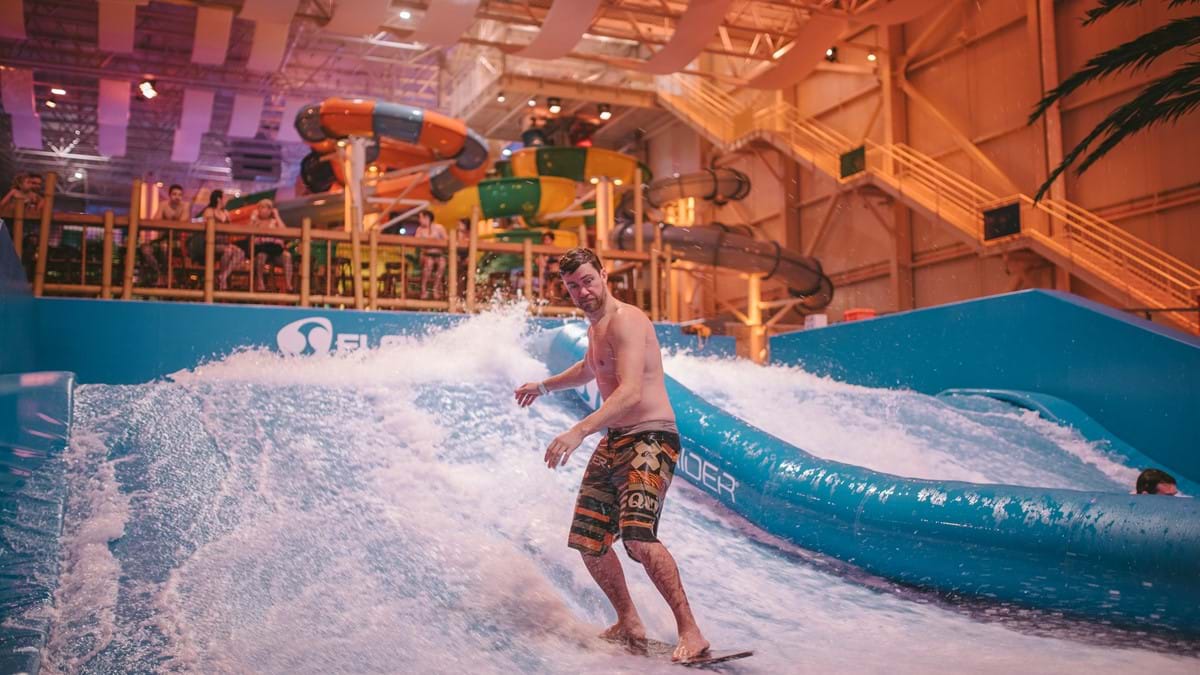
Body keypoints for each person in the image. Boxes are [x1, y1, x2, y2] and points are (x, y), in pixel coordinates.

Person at [513, 247, 710, 662]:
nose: (582, 291)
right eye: (572, 286)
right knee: (589, 539)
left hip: (651, 437)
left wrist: (579, 431)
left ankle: (691, 632)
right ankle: (629, 621)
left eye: (587, 280)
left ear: (603, 275)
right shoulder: (596, 327)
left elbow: (631, 391)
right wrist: (544, 386)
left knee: (638, 538)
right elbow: (590, 368)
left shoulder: (627, 320)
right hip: (618, 439)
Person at [187, 189, 246, 290]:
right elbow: (208, 228)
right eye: (224, 197)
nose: (226, 199)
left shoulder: (226, 213)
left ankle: (223, 276)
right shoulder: (209, 211)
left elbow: (229, 228)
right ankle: (221, 281)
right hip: (211, 243)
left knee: (240, 253)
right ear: (219, 199)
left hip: (225, 243)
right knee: (228, 251)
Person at [140, 184, 189, 285]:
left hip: (176, 241)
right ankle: (158, 272)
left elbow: (183, 222)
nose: (177, 197)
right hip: (161, 239)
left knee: (164, 247)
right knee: (145, 249)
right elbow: (156, 221)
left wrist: (168, 221)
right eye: (174, 194)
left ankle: (165, 275)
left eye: (180, 195)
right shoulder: (163, 205)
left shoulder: (185, 206)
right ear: (169, 195)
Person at [248, 199, 293, 292]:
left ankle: (288, 284)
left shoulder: (274, 221)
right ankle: (260, 282)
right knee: (261, 256)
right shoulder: (255, 222)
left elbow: (284, 231)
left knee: (287, 256)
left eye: (267, 208)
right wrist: (253, 217)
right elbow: (247, 231)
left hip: (275, 250)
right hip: (261, 250)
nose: (264, 210)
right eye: (262, 207)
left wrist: (277, 216)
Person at [413, 209, 447, 300]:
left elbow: (447, 240)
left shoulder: (439, 228)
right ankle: (424, 289)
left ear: (427, 218)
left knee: (442, 264)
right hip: (426, 255)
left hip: (438, 254)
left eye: (420, 217)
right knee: (429, 263)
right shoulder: (419, 230)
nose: (419, 220)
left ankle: (435, 288)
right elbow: (415, 242)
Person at [536, 231, 560, 300]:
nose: (545, 242)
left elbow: (561, 261)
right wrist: (543, 255)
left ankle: (549, 295)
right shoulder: (542, 252)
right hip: (546, 273)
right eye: (544, 240)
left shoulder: (557, 250)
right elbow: (539, 263)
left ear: (552, 240)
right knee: (545, 272)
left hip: (555, 273)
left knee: (553, 274)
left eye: (547, 239)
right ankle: (546, 295)